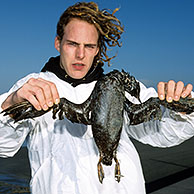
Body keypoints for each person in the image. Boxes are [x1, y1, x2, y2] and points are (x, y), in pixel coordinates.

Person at [0, 2, 194, 194]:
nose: (80, 54)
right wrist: (9, 105)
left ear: (98, 49)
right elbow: (3, 146)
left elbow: (163, 133)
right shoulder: (33, 87)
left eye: (89, 46)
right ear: (58, 43)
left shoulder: (119, 87)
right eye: (72, 44)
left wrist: (182, 107)